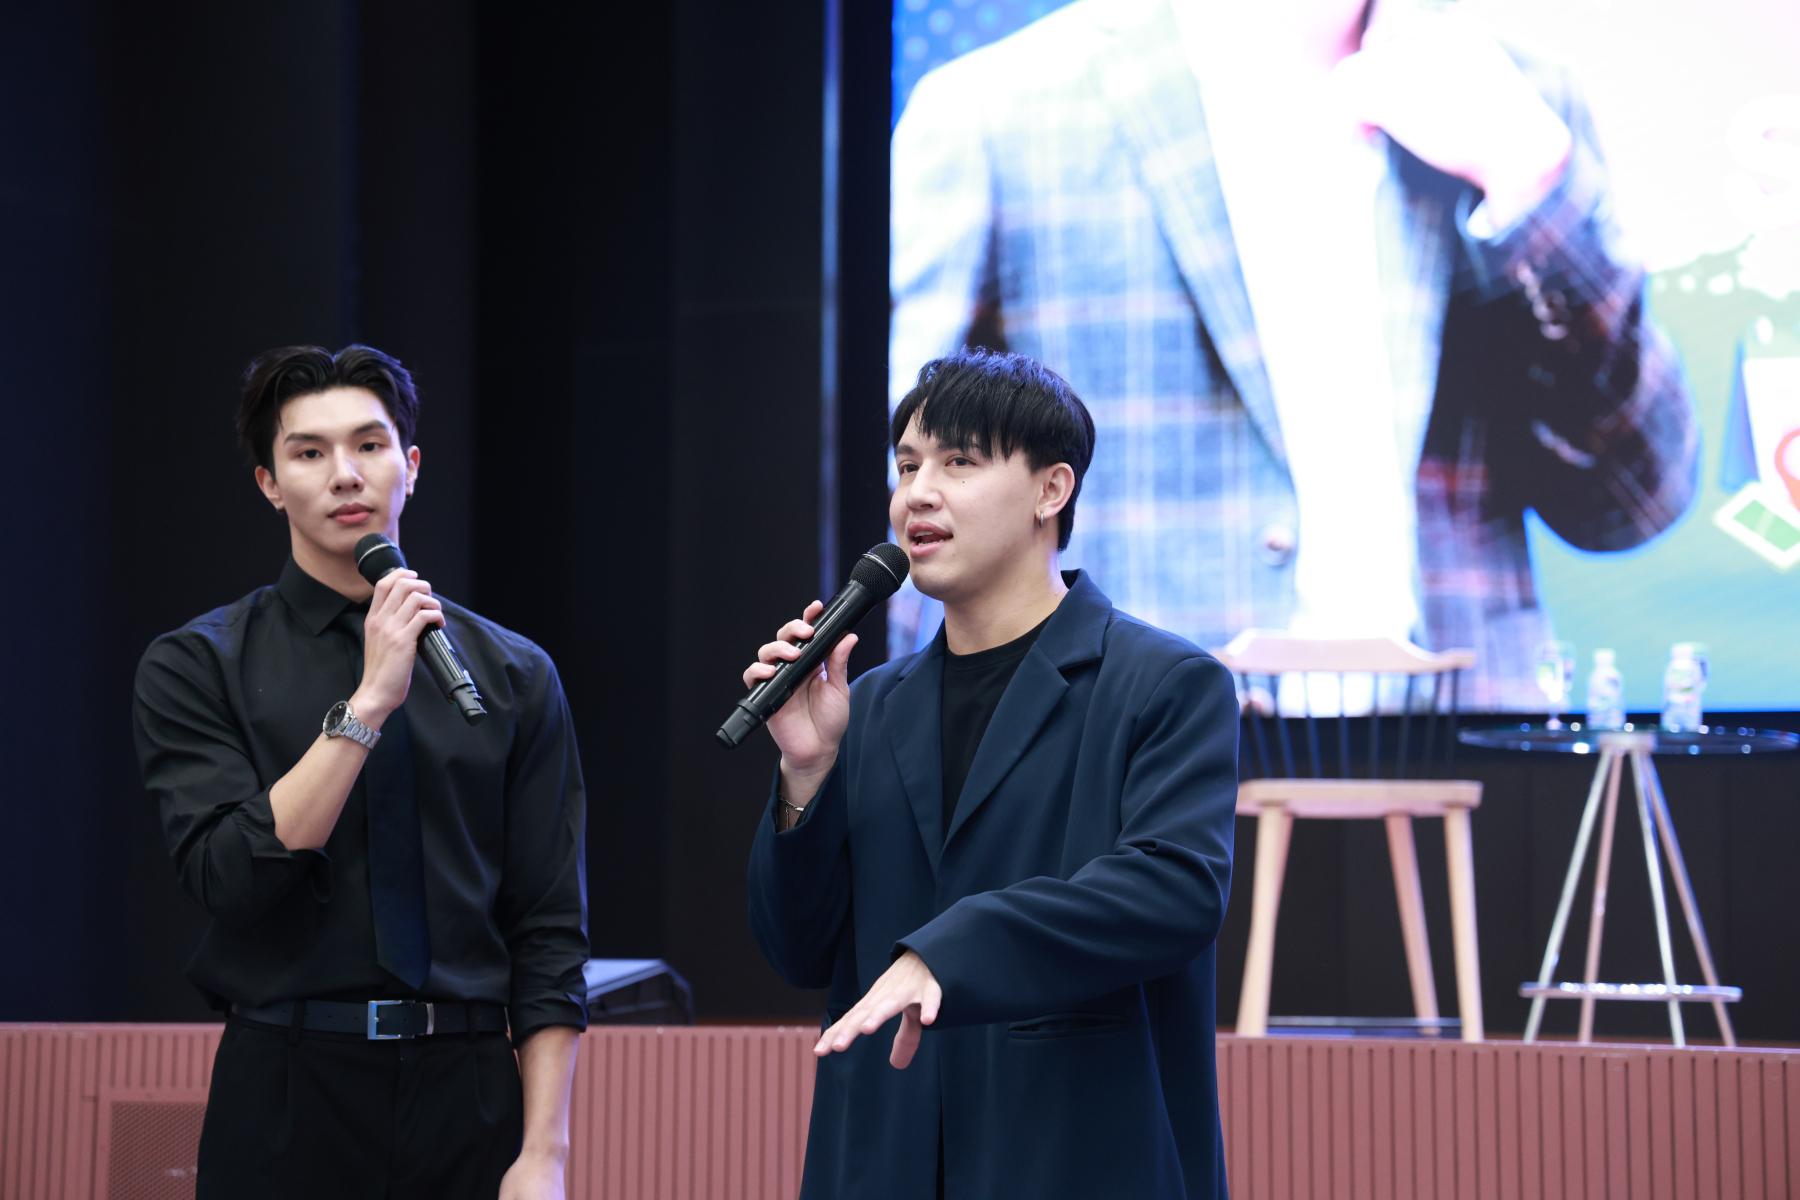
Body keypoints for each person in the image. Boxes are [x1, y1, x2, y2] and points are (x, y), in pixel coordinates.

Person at [889, 0, 1699, 709]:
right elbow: (901, 498)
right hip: (1125, 765)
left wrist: (1533, 191)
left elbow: (1633, 501)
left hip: (1454, 756)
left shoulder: (1513, 94)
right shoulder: (1001, 113)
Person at [746, 349, 1238, 1199]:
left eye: (959, 462)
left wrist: (949, 954)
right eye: (907, 466)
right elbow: (797, 950)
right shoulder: (873, 703)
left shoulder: (1164, 683)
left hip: (1071, 1156)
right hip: (883, 1161)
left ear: (1052, 490)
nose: (917, 493)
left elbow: (1174, 890)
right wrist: (806, 771)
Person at [133, 346, 588, 1200]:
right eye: (309, 452)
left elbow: (549, 927)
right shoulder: (198, 663)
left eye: (370, 445)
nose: (346, 473)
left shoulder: (514, 672)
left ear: (410, 466)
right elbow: (229, 877)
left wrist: (545, 1154)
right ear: (270, 483)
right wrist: (369, 703)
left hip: (468, 1086)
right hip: (286, 1081)